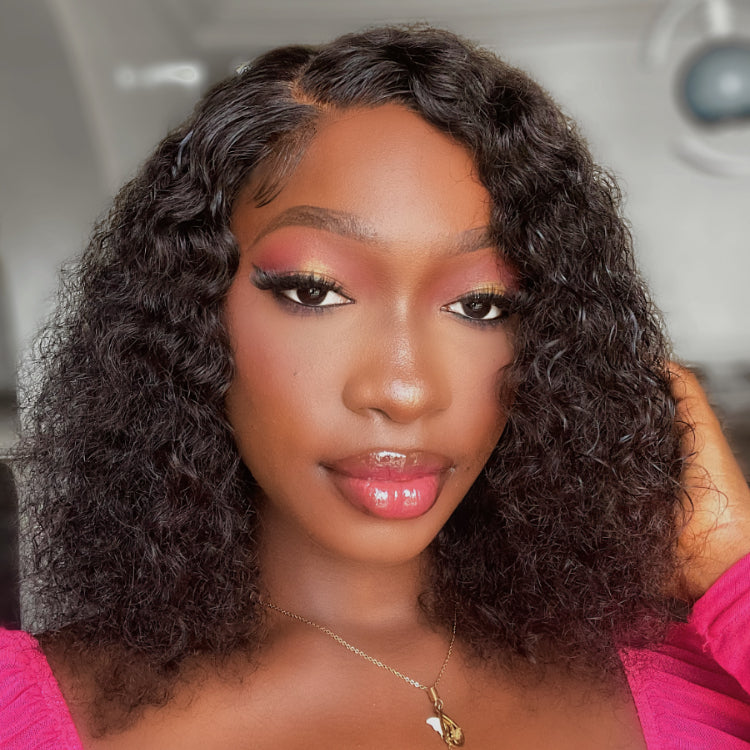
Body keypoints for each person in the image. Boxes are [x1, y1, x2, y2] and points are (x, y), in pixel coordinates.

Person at [1, 24, 749, 749]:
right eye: (313, 291)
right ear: (188, 316)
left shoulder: (694, 685)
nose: (404, 389)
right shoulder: (25, 709)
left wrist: (731, 562)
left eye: (481, 306)